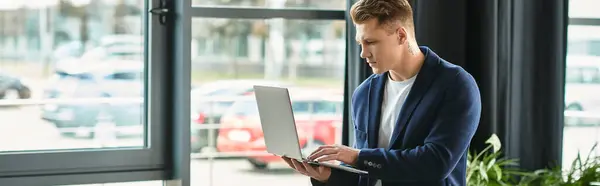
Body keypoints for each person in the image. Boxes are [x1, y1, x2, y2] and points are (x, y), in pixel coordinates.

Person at [281, 0, 482, 185]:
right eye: (361, 43)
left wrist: (357, 156)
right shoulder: (363, 93)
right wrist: (327, 176)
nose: (363, 53)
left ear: (401, 35)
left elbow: (435, 163)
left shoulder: (455, 85)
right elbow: (366, 174)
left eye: (371, 42)